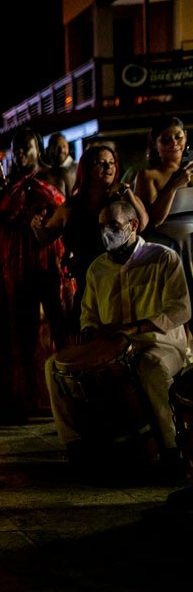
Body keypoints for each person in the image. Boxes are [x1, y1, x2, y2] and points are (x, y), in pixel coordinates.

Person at [46, 200, 189, 471]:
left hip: (159, 344)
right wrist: (88, 330)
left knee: (152, 367)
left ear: (133, 225)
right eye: (101, 226)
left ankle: (172, 448)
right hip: (112, 346)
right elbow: (88, 312)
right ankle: (75, 444)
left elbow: (181, 309)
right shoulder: (97, 268)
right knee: (53, 367)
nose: (105, 232)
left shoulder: (163, 258)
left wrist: (136, 328)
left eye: (113, 225)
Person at [0, 128, 70, 423]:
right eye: (15, 149)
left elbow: (70, 211)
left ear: (38, 149)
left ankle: (64, 394)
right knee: (20, 327)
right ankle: (22, 396)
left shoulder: (54, 176)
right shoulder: (5, 183)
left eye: (26, 148)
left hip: (49, 254)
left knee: (58, 323)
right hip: (15, 258)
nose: (20, 154)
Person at [34, 145, 149, 339]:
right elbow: (46, 237)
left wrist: (127, 192)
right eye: (101, 163)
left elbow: (143, 223)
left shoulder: (120, 201)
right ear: (87, 168)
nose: (108, 167)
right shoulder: (72, 206)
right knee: (86, 335)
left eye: (111, 163)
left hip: (118, 281)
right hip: (85, 282)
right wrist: (36, 227)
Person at [134, 117, 193, 308]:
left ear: (186, 137)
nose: (174, 143)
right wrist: (173, 185)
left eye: (178, 137)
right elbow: (152, 221)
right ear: (155, 144)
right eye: (166, 140)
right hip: (170, 248)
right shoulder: (148, 176)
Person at [42, 131, 77, 197]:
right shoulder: (46, 171)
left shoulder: (77, 168)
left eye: (64, 146)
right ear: (49, 149)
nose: (61, 150)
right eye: (57, 146)